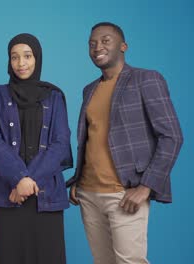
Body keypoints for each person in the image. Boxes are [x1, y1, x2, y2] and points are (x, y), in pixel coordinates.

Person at [67, 22, 183, 264]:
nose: (97, 47)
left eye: (105, 40)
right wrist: (78, 180)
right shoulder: (89, 89)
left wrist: (146, 186)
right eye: (92, 43)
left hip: (124, 192)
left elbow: (172, 136)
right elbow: (90, 138)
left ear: (123, 46)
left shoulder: (146, 79)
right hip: (88, 193)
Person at [0, 33, 73, 264]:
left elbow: (61, 143)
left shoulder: (55, 96)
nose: (21, 63)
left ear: (38, 58)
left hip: (45, 195)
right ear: (9, 61)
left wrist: (28, 182)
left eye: (27, 56)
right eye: (15, 57)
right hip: (5, 193)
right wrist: (19, 178)